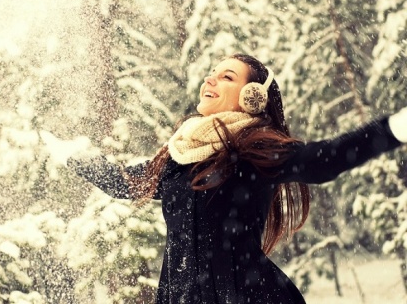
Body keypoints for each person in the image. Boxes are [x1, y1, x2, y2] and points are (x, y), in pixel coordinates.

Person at [42, 53, 407, 304]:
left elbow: (324, 159)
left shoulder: (254, 151)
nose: (211, 78)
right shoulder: (180, 156)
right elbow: (126, 182)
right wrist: (74, 157)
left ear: (252, 97)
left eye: (227, 76)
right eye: (211, 73)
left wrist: (393, 129)